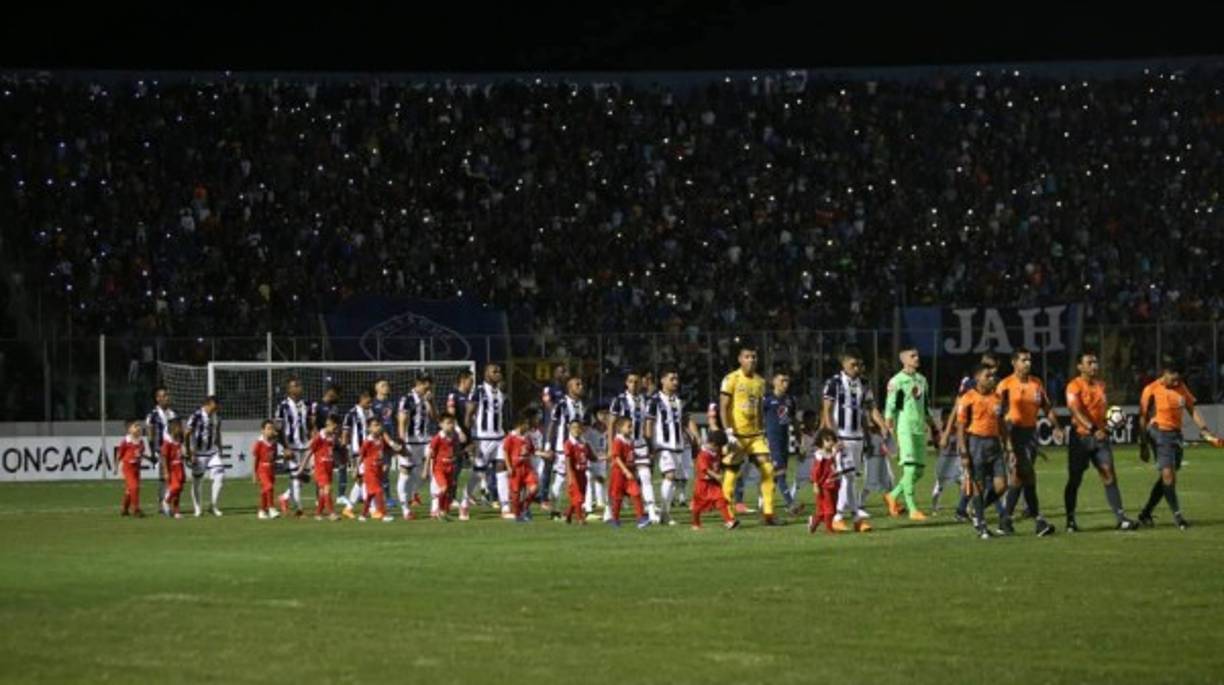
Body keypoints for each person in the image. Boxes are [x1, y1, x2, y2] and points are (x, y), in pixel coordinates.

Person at [1137, 356, 1220, 530]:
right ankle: (1178, 517)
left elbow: (1191, 409)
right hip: (1159, 432)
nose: (1176, 382)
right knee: (1168, 475)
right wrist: (1143, 444)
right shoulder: (1150, 390)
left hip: (1176, 436)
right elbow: (1143, 418)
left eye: (1179, 379)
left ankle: (1145, 513)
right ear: (1165, 373)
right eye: (1174, 378)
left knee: (1167, 478)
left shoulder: (1181, 388)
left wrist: (1204, 429)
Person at [1064, 351, 1140, 532]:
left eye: (1096, 362)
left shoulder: (1101, 385)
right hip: (1081, 439)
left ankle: (1121, 518)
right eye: (1089, 363)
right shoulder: (1073, 386)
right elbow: (1075, 411)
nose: (1094, 366)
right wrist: (1093, 430)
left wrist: (1108, 426)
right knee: (1075, 479)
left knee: (1108, 474)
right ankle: (1070, 521)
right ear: (1080, 367)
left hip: (1100, 439)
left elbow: (1105, 412)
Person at [996, 348, 1061, 536]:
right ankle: (1039, 521)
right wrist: (1005, 440)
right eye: (1024, 360)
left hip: (1030, 434)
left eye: (1029, 360)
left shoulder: (1036, 383)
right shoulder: (1005, 385)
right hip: (1013, 432)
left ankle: (1005, 521)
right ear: (1014, 363)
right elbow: (998, 414)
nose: (1028, 363)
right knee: (1028, 475)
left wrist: (1055, 426)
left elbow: (1046, 408)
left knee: (1019, 478)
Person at [821, 348, 888, 530]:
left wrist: (882, 425)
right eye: (853, 364)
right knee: (848, 477)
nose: (857, 368)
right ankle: (844, 517)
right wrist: (832, 438)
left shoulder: (864, 383)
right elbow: (827, 410)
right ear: (843, 364)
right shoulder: (834, 383)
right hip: (841, 437)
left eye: (859, 364)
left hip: (857, 438)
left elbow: (871, 408)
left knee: (850, 478)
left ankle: (849, 518)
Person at [719, 346, 781, 525]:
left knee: (768, 470)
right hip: (736, 435)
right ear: (740, 359)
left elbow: (760, 409)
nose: (751, 360)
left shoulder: (760, 382)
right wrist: (728, 431)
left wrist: (763, 431)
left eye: (754, 357)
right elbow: (723, 406)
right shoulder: (731, 379)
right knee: (731, 475)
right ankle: (728, 515)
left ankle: (768, 514)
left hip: (755, 436)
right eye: (747, 357)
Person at [882, 347, 941, 522]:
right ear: (903, 360)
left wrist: (934, 426)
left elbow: (925, 405)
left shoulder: (921, 380)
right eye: (912, 356)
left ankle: (892, 496)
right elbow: (892, 406)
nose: (917, 358)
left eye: (917, 355)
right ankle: (912, 509)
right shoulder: (897, 381)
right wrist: (891, 429)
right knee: (910, 468)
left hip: (919, 429)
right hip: (905, 429)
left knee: (920, 471)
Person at [957, 364, 1011, 538]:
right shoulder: (968, 398)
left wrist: (1007, 443)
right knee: (978, 486)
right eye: (988, 376)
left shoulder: (997, 398)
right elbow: (961, 428)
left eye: (993, 376)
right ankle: (981, 524)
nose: (992, 379)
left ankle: (976, 509)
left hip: (994, 444)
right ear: (978, 378)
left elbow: (1001, 423)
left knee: (1002, 486)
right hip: (976, 443)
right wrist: (964, 453)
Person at [645, 369, 699, 526]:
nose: (675, 382)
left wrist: (694, 436)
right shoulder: (654, 401)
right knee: (669, 475)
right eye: (672, 379)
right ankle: (664, 513)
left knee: (672, 479)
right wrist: (650, 445)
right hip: (662, 445)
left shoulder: (678, 400)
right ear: (662, 380)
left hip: (678, 446)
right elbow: (649, 423)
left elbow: (686, 420)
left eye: (676, 379)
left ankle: (664, 512)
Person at [610, 371, 656, 522]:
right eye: (631, 381)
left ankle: (651, 510)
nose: (634, 384)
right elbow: (611, 424)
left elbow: (647, 424)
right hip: (623, 445)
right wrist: (611, 446)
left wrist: (650, 445)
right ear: (626, 383)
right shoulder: (619, 400)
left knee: (646, 476)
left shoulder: (646, 400)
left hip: (640, 444)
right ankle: (609, 512)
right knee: (618, 481)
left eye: (636, 381)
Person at [468, 364, 509, 518]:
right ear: (486, 374)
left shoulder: (500, 392)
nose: (498, 373)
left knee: (501, 468)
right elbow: (468, 413)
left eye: (499, 371)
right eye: (494, 371)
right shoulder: (478, 391)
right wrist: (469, 438)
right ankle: (465, 502)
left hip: (499, 437)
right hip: (482, 438)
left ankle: (505, 507)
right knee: (478, 473)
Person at [545, 375, 586, 517]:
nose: (581, 386)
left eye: (581, 384)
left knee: (583, 475)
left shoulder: (580, 404)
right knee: (561, 477)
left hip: (578, 447)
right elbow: (553, 424)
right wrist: (548, 445)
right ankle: (554, 509)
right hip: (563, 448)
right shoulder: (561, 404)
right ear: (569, 387)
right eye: (577, 384)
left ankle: (580, 508)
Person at [397, 375, 436, 519]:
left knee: (432, 472)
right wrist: (401, 443)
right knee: (405, 474)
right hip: (410, 442)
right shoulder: (407, 399)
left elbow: (434, 417)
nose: (429, 389)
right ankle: (405, 509)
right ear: (418, 384)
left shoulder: (427, 399)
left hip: (426, 441)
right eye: (426, 386)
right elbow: (402, 421)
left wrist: (431, 402)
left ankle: (434, 507)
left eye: (430, 386)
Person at [275, 377, 311, 518]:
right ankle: (299, 510)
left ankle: (285, 497)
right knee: (295, 477)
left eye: (299, 385)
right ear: (289, 389)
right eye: (295, 386)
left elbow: (308, 423)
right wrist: (285, 447)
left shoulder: (305, 404)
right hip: (291, 446)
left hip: (304, 445)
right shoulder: (282, 406)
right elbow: (278, 428)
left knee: (305, 477)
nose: (298, 388)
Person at [764, 370, 798, 514]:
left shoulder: (790, 400)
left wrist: (799, 436)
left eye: (787, 381)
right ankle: (791, 504)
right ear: (774, 382)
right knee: (781, 472)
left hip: (784, 439)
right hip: (773, 440)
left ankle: (765, 502)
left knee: (777, 476)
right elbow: (758, 418)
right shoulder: (766, 400)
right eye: (782, 380)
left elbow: (794, 419)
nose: (785, 384)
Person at [690, 430, 738, 530]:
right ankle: (695, 524)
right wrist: (716, 476)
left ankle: (729, 521)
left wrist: (732, 454)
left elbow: (722, 460)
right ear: (711, 443)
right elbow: (705, 469)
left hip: (713, 484)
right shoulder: (703, 455)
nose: (719, 449)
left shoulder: (716, 451)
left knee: (721, 499)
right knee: (698, 506)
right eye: (718, 447)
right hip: (703, 484)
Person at [185, 395, 225, 517]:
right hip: (198, 453)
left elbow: (217, 433)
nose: (216, 407)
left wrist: (220, 447)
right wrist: (189, 452)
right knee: (197, 481)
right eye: (215, 405)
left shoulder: (216, 417)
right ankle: (197, 508)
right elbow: (187, 433)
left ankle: (213, 506)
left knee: (220, 475)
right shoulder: (196, 416)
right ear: (209, 403)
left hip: (212, 452)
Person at [608, 416, 649, 528]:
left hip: (629, 472)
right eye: (629, 427)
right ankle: (615, 519)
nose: (631, 429)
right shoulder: (618, 441)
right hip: (619, 473)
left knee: (636, 493)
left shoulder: (630, 440)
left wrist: (634, 469)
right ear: (620, 428)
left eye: (632, 427)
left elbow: (630, 456)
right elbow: (616, 457)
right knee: (617, 497)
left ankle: (640, 518)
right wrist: (625, 470)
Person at [340, 391, 374, 517]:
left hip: (369, 451)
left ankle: (349, 508)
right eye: (368, 399)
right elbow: (345, 433)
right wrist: (346, 451)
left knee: (361, 480)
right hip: (357, 451)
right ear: (361, 398)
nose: (370, 401)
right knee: (364, 479)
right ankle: (370, 508)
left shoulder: (370, 412)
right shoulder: (351, 414)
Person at [145, 386, 176, 514]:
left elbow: (176, 431)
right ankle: (162, 503)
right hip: (160, 450)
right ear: (157, 398)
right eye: (163, 396)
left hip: (172, 450)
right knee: (164, 477)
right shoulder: (152, 415)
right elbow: (149, 433)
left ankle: (165, 502)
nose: (166, 398)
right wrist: (152, 451)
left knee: (169, 478)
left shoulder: (172, 414)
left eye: (167, 395)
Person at [505, 409, 540, 523]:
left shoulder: (527, 437)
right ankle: (517, 514)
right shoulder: (511, 437)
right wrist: (509, 467)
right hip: (516, 469)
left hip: (527, 468)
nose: (528, 426)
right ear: (519, 424)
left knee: (534, 488)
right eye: (526, 424)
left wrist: (544, 454)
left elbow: (533, 451)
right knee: (515, 494)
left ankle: (524, 506)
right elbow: (506, 452)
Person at [425, 413, 461, 521]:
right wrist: (425, 469)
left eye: (452, 423)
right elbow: (430, 453)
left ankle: (444, 511)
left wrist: (456, 456)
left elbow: (456, 449)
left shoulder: (455, 436)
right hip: (439, 468)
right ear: (441, 424)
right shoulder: (437, 438)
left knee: (448, 491)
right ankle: (438, 510)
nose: (451, 425)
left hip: (450, 467)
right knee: (443, 488)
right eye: (448, 423)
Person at [306, 414, 340, 521]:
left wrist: (337, 460)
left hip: (328, 467)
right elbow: (310, 451)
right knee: (327, 489)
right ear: (328, 424)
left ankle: (318, 513)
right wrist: (303, 467)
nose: (334, 429)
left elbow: (331, 451)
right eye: (332, 426)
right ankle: (331, 513)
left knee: (322, 492)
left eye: (335, 428)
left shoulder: (332, 437)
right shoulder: (319, 437)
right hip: (320, 467)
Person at [807, 429, 841, 534]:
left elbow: (835, 467)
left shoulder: (833, 454)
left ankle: (814, 521)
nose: (830, 442)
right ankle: (829, 529)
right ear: (821, 442)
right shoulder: (820, 456)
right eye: (827, 440)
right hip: (824, 486)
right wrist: (815, 484)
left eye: (832, 440)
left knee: (829, 510)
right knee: (828, 508)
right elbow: (816, 471)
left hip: (833, 484)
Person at [116, 419, 149, 517]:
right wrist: (116, 466)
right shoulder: (126, 441)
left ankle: (124, 509)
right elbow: (119, 454)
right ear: (129, 430)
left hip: (136, 468)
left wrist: (143, 456)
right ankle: (136, 509)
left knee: (130, 490)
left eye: (139, 426)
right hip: (128, 467)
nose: (138, 428)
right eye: (135, 426)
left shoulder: (141, 441)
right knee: (134, 487)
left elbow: (140, 453)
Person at [562, 420, 592, 524]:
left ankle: (568, 514)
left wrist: (606, 457)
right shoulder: (569, 443)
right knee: (578, 497)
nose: (576, 430)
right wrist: (570, 476)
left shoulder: (584, 443)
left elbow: (592, 457)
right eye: (574, 427)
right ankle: (580, 519)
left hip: (582, 474)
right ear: (569, 429)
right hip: (574, 473)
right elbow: (568, 461)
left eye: (578, 427)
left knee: (580, 498)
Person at [252, 420, 281, 520]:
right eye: (268, 428)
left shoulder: (274, 442)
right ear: (263, 431)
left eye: (272, 428)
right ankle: (271, 508)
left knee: (266, 491)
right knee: (269, 487)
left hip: (271, 469)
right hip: (262, 469)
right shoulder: (259, 443)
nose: (270, 430)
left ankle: (262, 510)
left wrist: (275, 466)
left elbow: (275, 456)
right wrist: (254, 474)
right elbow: (255, 459)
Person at [160, 417, 186, 518]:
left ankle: (176, 511)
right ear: (173, 428)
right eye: (179, 426)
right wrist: (166, 471)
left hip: (180, 467)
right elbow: (164, 457)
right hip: (172, 469)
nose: (180, 428)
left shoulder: (179, 441)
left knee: (179, 491)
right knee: (176, 487)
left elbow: (180, 454)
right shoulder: (168, 443)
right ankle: (166, 500)